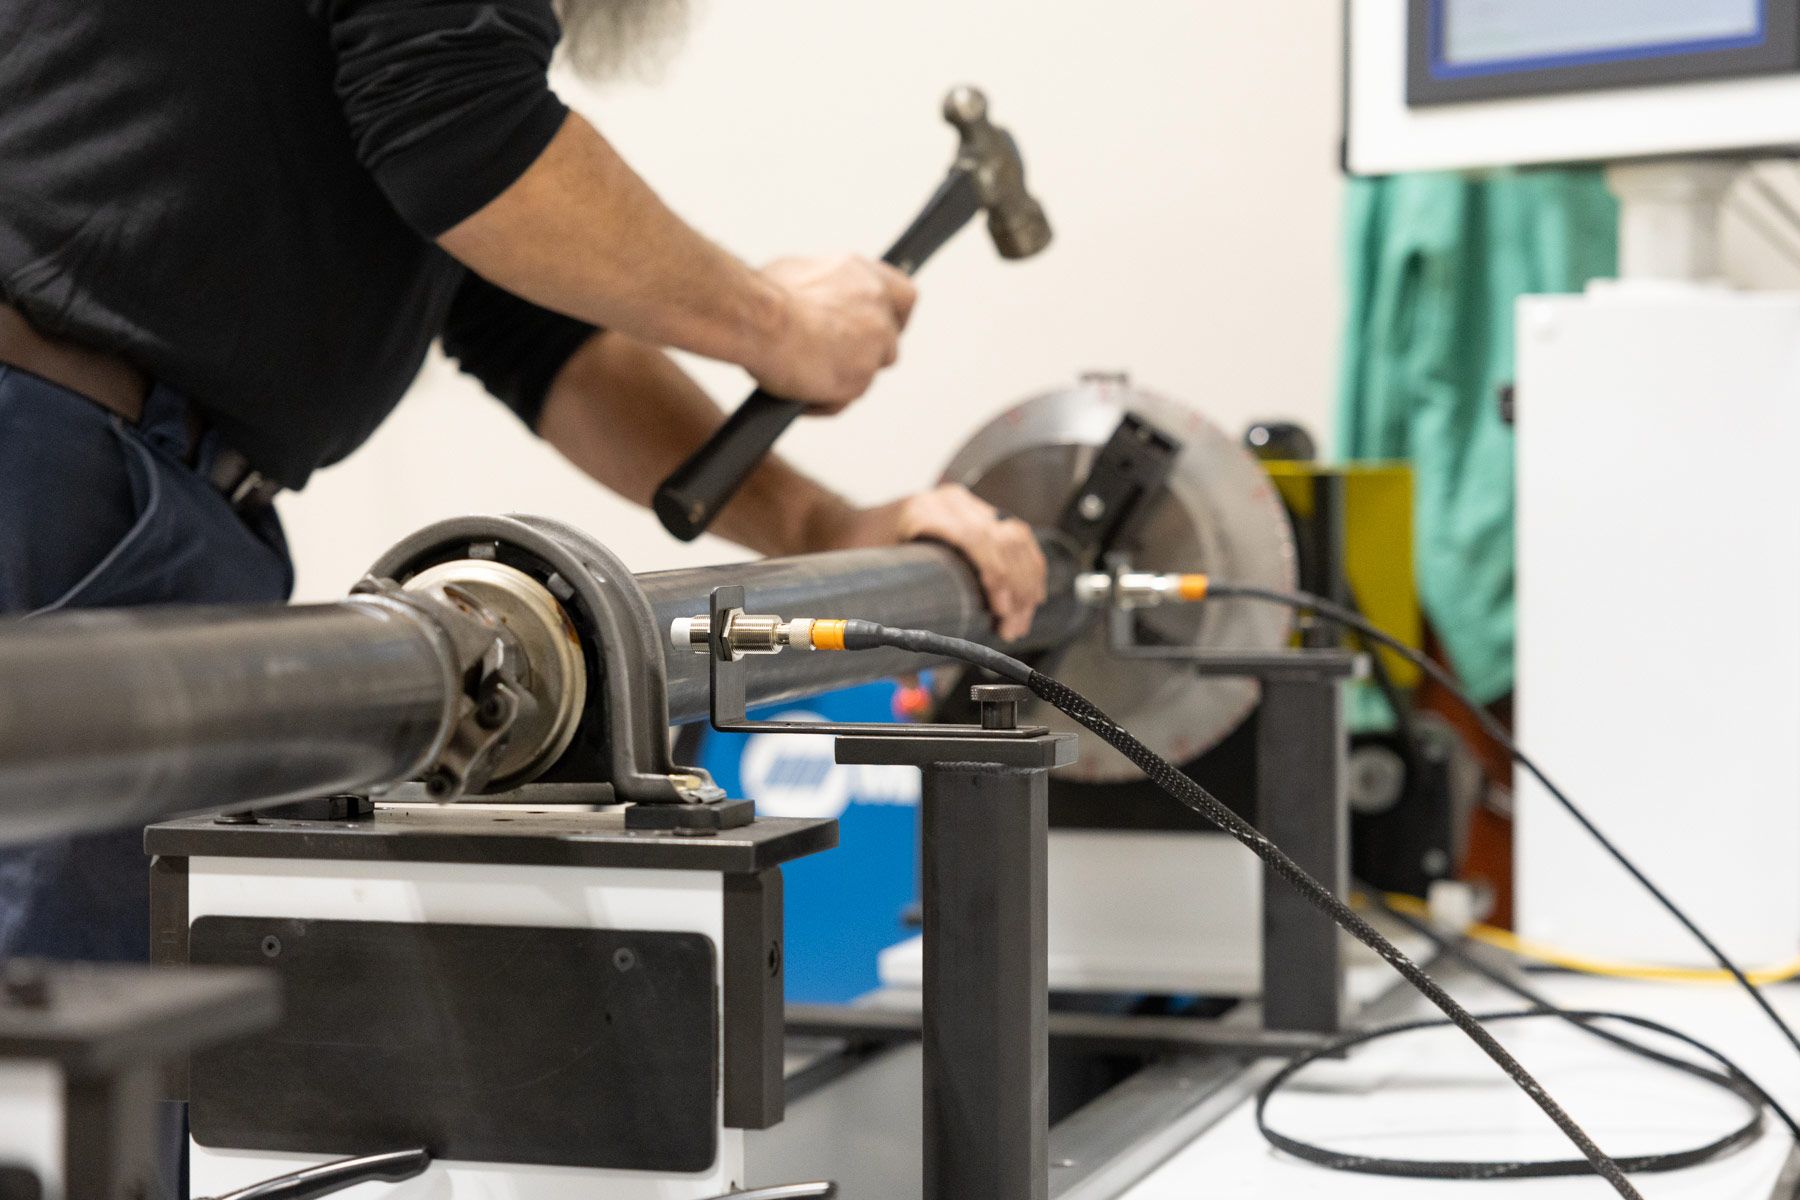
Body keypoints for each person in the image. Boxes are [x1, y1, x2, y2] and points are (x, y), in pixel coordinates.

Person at [0, 0, 1047, 962]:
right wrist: (778, 323)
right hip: (60, 456)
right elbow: (460, 127)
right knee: (67, 1078)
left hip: (118, 478)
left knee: (99, 1066)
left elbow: (531, 325)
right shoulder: (438, 89)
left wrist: (819, 520)